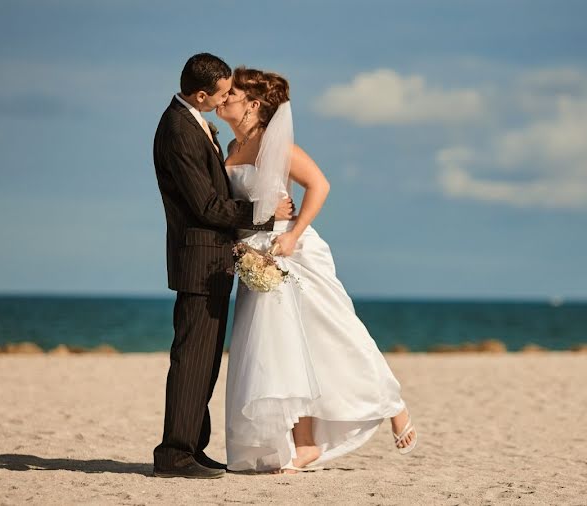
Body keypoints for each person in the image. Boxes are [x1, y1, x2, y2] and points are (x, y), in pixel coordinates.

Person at [216, 67, 418, 474]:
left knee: (334, 331)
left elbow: (320, 185)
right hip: (256, 257)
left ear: (253, 104)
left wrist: (293, 235)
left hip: (291, 253)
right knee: (281, 351)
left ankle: (392, 402)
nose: (224, 97)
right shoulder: (231, 149)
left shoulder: (278, 145)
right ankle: (303, 445)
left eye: (233, 92)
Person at [152, 53, 294, 479]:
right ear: (200, 94)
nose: (225, 99)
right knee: (192, 358)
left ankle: (193, 447)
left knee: (204, 361)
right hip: (198, 257)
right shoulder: (179, 129)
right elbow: (206, 205)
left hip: (211, 260)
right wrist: (264, 216)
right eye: (221, 94)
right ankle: (175, 454)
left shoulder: (194, 122)